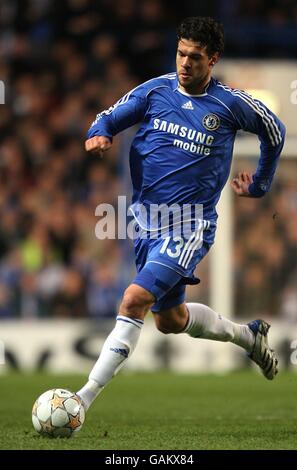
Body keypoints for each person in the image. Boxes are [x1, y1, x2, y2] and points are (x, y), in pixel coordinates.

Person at [77, 17, 285, 410]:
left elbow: (274, 131)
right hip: (145, 223)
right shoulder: (154, 92)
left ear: (214, 60)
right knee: (169, 320)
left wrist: (260, 182)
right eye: (181, 53)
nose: (185, 63)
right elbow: (107, 116)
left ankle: (80, 402)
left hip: (190, 224)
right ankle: (249, 336)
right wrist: (98, 134)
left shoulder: (231, 104)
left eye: (195, 57)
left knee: (133, 299)